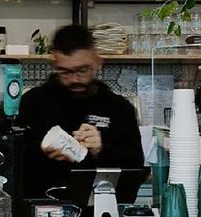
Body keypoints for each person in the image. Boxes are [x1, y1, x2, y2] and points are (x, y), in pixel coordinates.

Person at [18, 25, 143, 196]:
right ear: (54, 63)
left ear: (97, 62)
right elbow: (13, 162)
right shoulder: (32, 102)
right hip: (41, 209)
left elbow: (136, 168)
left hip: (98, 212)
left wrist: (101, 150)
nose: (75, 79)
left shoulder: (118, 108)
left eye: (82, 70)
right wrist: (41, 150)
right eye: (65, 72)